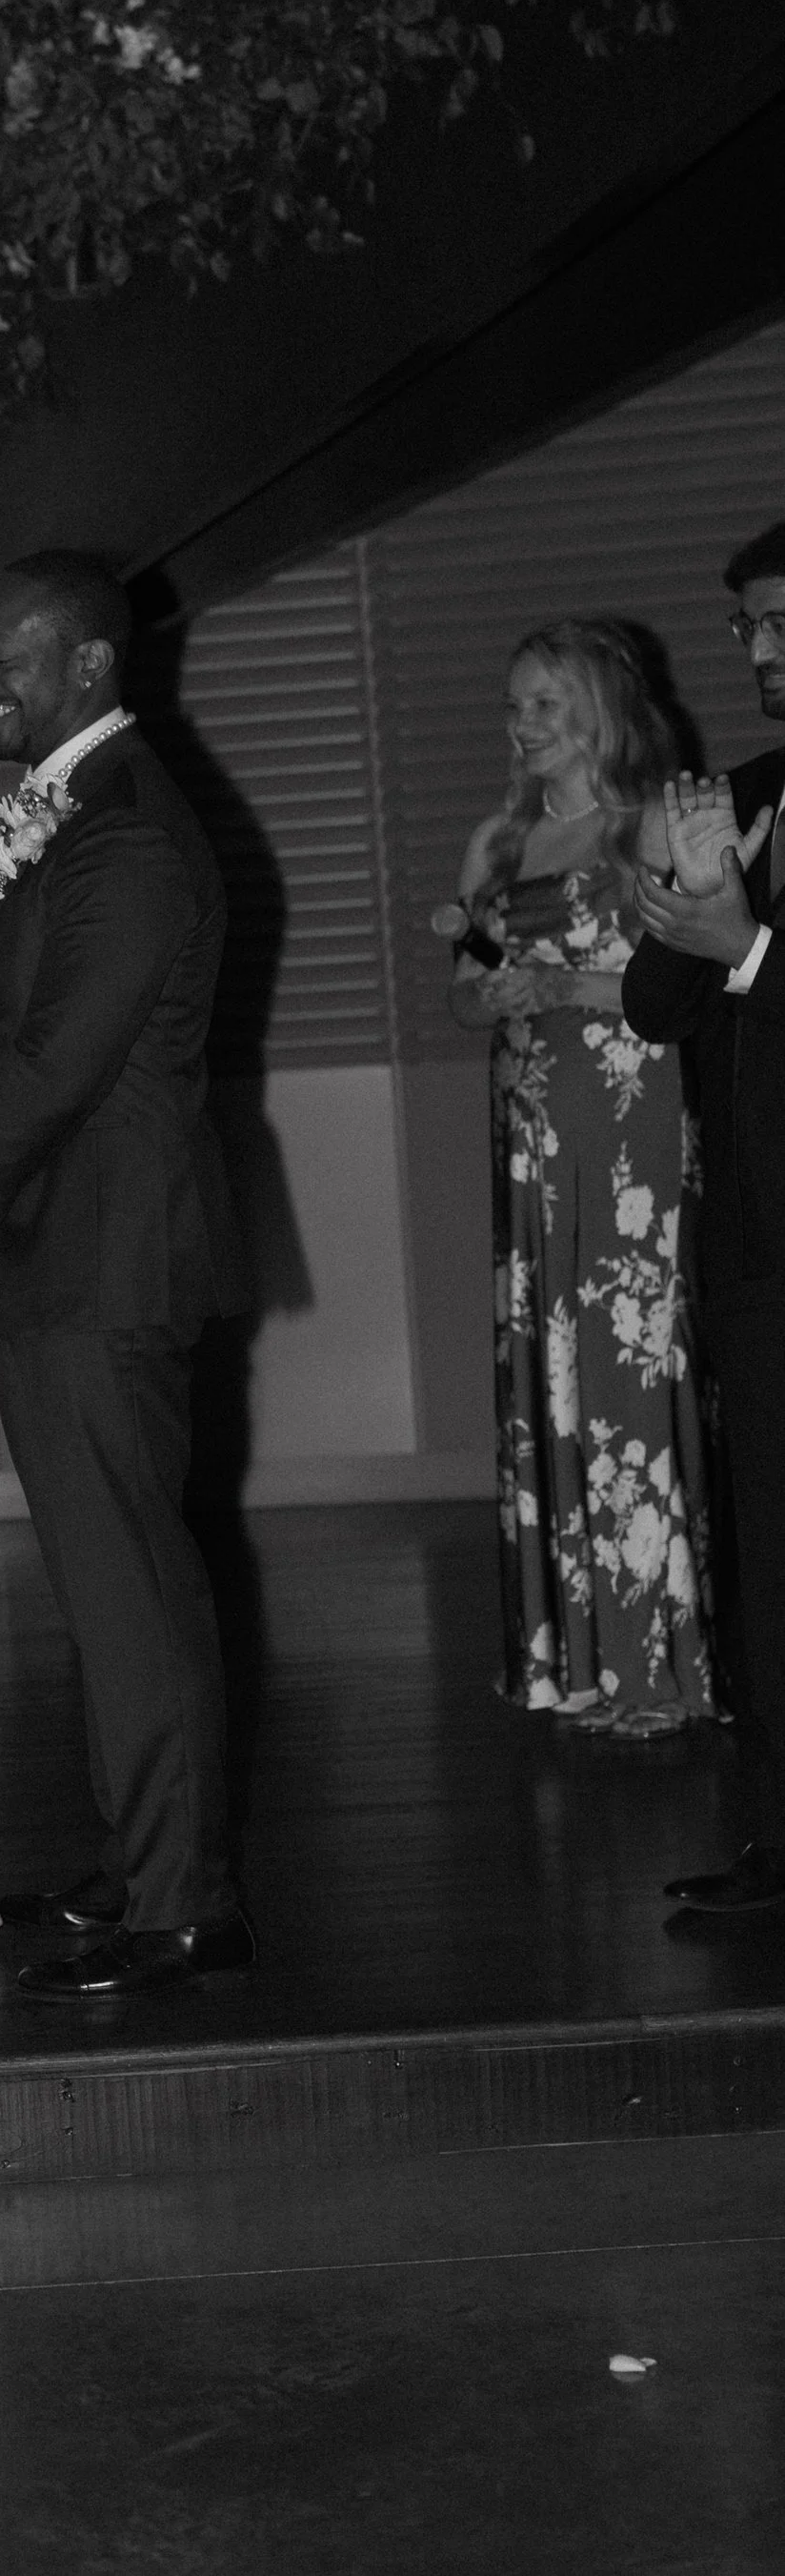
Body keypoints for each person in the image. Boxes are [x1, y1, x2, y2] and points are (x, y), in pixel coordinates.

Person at [0, 552, 251, 2001]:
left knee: (133, 1585)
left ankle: (183, 1903)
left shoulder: (128, 831)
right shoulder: (75, 810)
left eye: (6, 660)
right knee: (106, 1585)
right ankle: (138, 1860)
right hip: (72, 1245)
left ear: (90, 662)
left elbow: (56, 1065)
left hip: (109, 1252)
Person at [446, 619, 715, 1733]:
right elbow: (463, 986)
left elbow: (693, 981)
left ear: (601, 707)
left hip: (629, 1119)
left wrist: (565, 990)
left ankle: (654, 1664)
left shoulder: (649, 826)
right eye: (513, 705)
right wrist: (490, 994)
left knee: (624, 1361)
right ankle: (575, 1663)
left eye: (545, 703)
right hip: (529, 1125)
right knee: (547, 1363)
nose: (523, 724)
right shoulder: (496, 842)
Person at [626, 524, 785, 1911]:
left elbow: (745, 967)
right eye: (746, 626)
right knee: (767, 1549)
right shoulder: (743, 794)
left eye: (782, 620)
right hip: (751, 1230)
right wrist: (686, 905)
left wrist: (747, 944)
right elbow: (650, 1001)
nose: (760, 649)